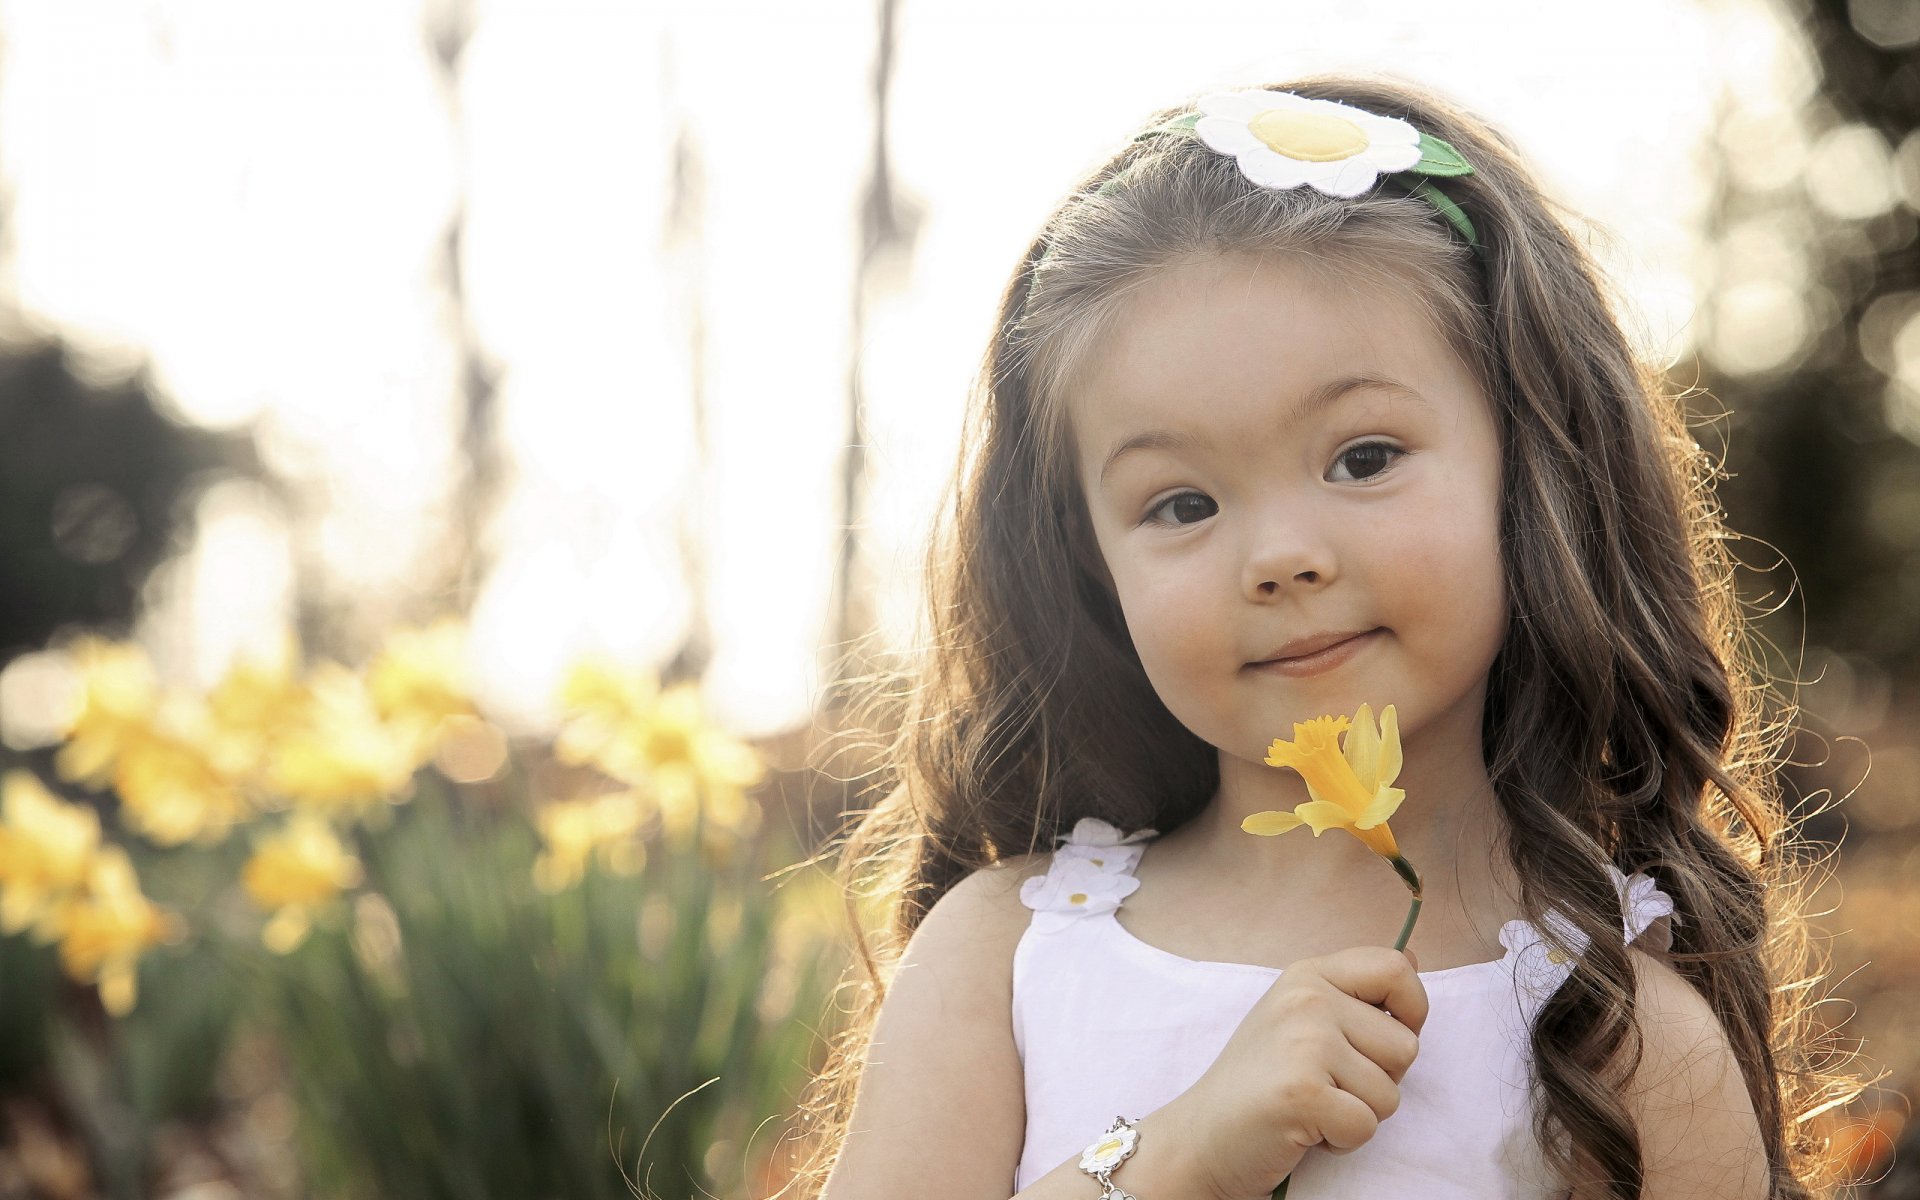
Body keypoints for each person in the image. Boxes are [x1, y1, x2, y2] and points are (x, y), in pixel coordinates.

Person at [787, 74, 1868, 1199]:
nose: (1279, 556)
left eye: (1363, 458)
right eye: (1181, 504)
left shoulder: (1622, 1036)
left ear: (1533, 470)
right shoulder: (1003, 959)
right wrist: (1178, 1156)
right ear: (1089, 568)